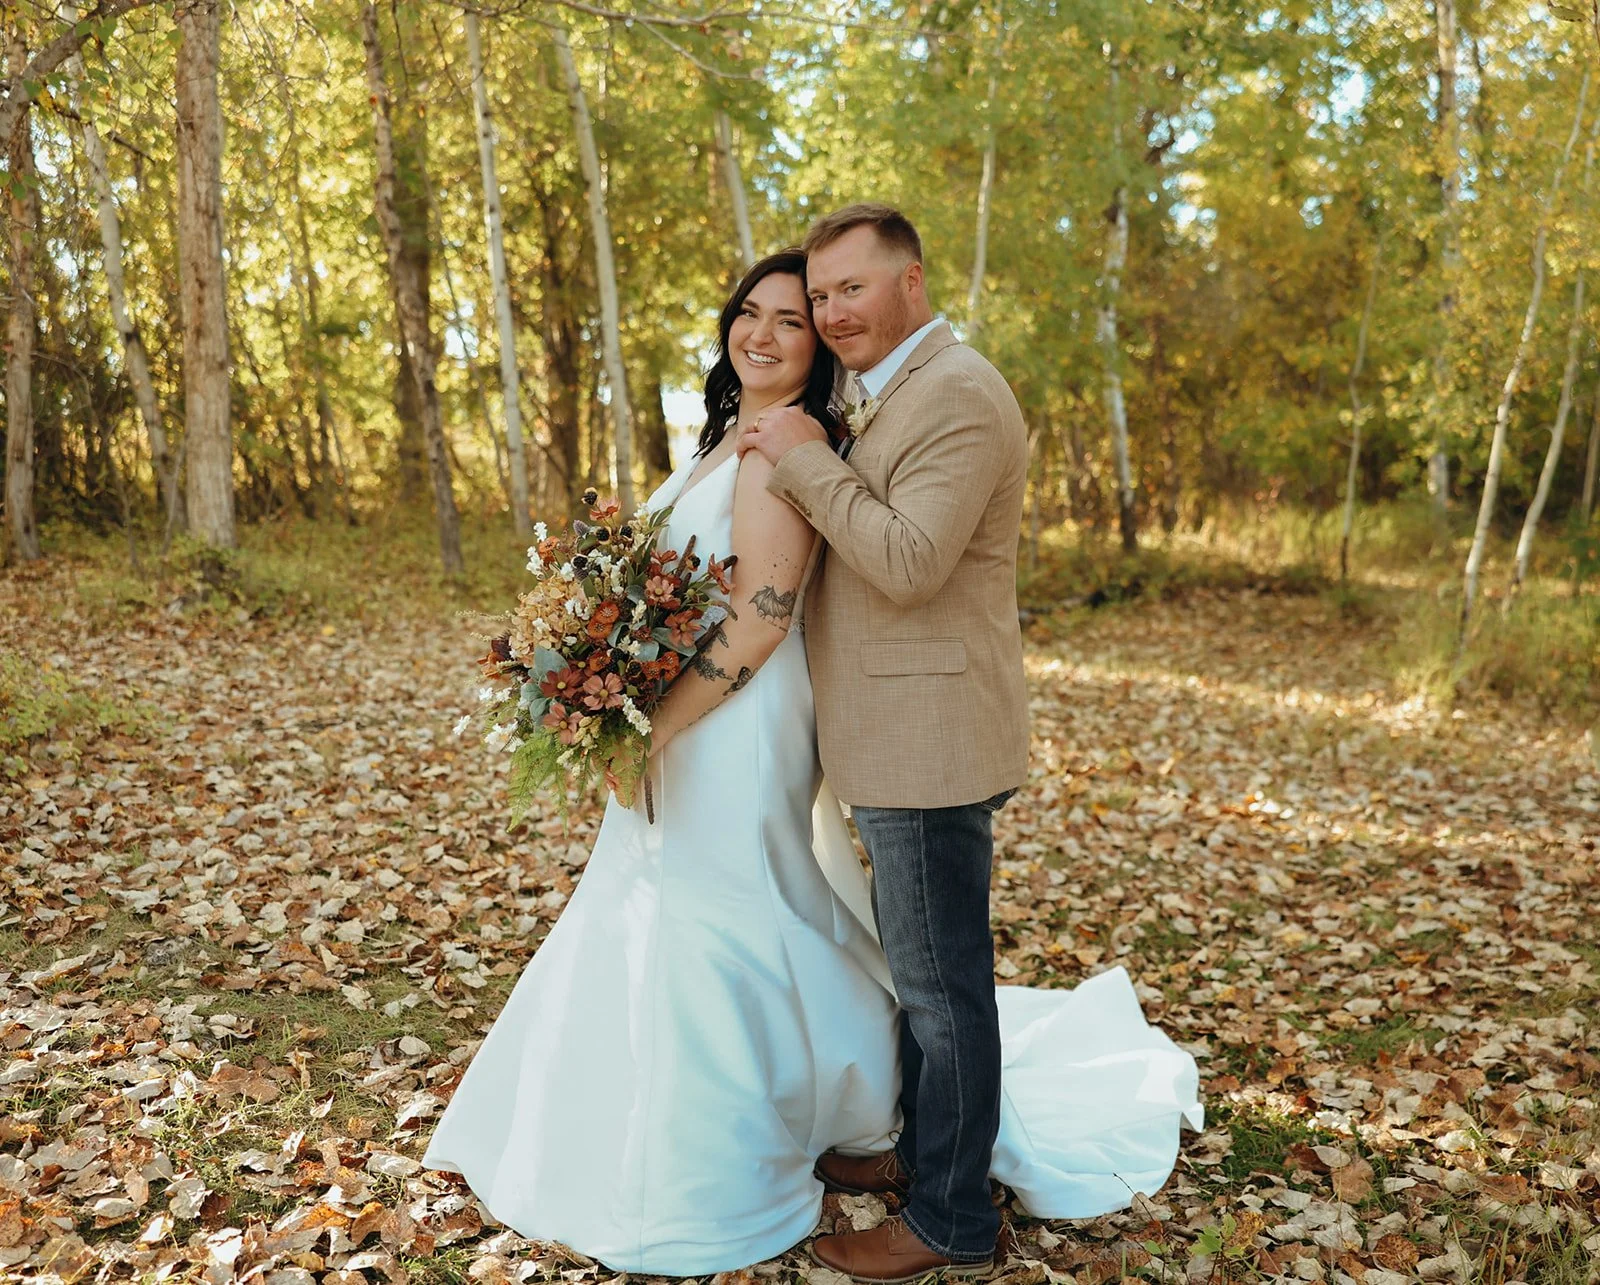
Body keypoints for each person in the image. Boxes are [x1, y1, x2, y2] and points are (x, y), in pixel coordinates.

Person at [422, 227, 1201, 1280]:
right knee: (811, 925)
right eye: (766, 307)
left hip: (765, 722)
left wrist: (651, 720)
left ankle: (947, 1212)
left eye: (816, 307)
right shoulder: (754, 434)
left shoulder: (904, 408)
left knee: (870, 958)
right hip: (748, 714)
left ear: (904, 285)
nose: (788, 324)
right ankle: (871, 1123)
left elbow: (773, 614)